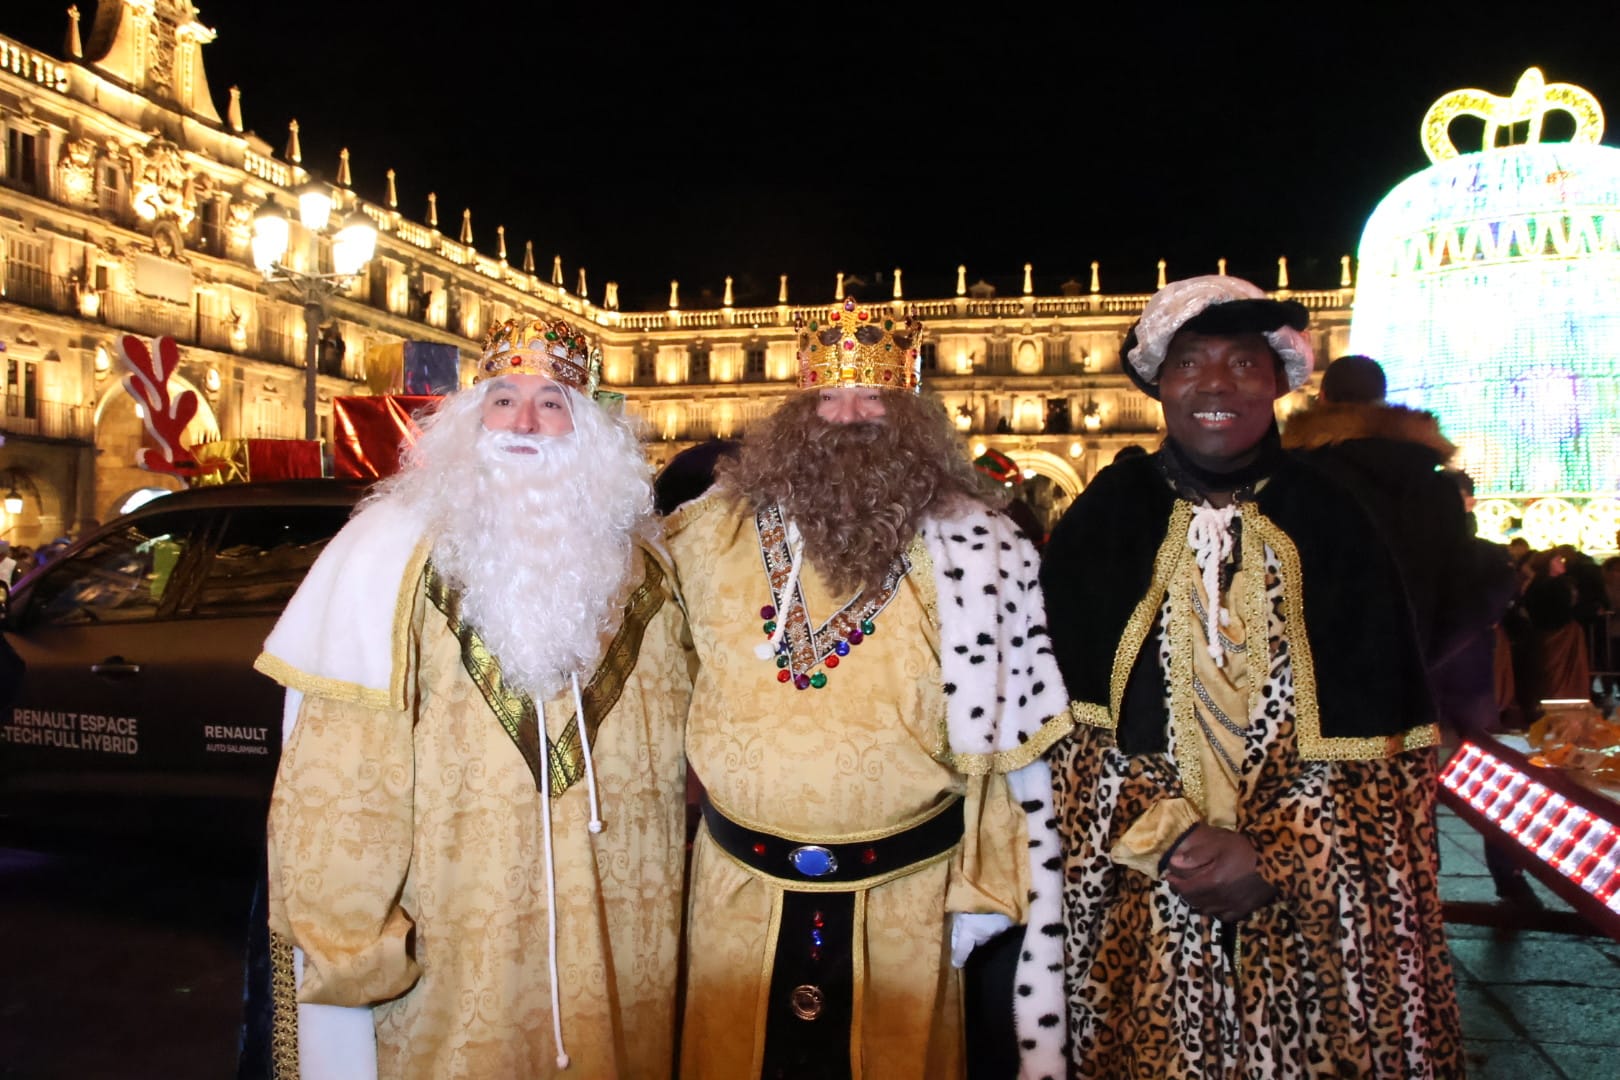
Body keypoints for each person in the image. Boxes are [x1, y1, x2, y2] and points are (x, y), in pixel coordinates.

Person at [1041, 275, 1464, 1077]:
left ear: (1278, 381)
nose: (1215, 385)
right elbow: (1061, 722)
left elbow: (1387, 734)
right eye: (1191, 362)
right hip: (1146, 892)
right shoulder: (1104, 518)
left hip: (1319, 903)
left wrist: (1273, 855)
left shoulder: (1338, 517)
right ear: (1158, 383)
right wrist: (1173, 840)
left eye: (1242, 363)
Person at [257, 316, 690, 1079]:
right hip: (451, 937)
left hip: (623, 943)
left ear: (589, 426)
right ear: (467, 418)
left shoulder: (649, 567)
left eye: (552, 402)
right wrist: (352, 942)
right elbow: (338, 774)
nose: (524, 422)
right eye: (502, 399)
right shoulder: (386, 553)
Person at [667, 297, 1071, 1080]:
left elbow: (1020, 740)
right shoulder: (706, 532)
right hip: (736, 897)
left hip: (906, 902)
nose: (849, 415)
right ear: (797, 407)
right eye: (829, 394)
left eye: (874, 395)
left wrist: (988, 886)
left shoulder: (983, 546)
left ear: (912, 410)